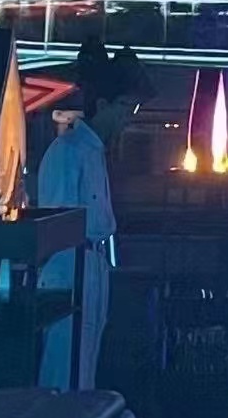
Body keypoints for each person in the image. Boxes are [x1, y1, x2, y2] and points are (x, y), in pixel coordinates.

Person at [37, 46, 151, 390]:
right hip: (71, 266)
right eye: (125, 108)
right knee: (67, 361)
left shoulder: (92, 151)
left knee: (84, 358)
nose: (128, 118)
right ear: (102, 104)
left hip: (90, 264)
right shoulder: (68, 151)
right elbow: (57, 221)